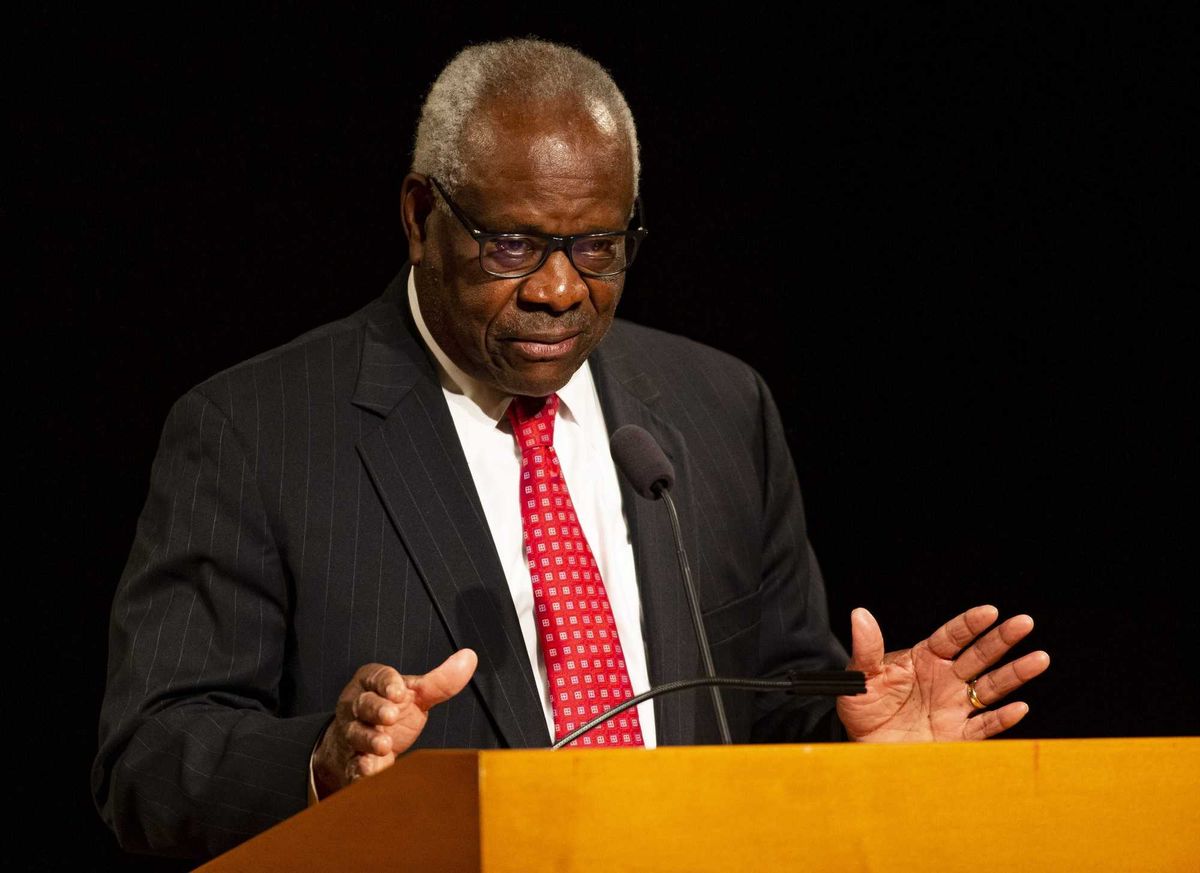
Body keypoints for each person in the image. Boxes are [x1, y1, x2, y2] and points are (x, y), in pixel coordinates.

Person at [92, 37, 1049, 860]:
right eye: (513, 244)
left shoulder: (719, 407)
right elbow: (148, 756)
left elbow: (755, 704)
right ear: (421, 216)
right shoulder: (257, 430)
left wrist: (853, 741)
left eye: (599, 246)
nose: (560, 288)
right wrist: (323, 761)